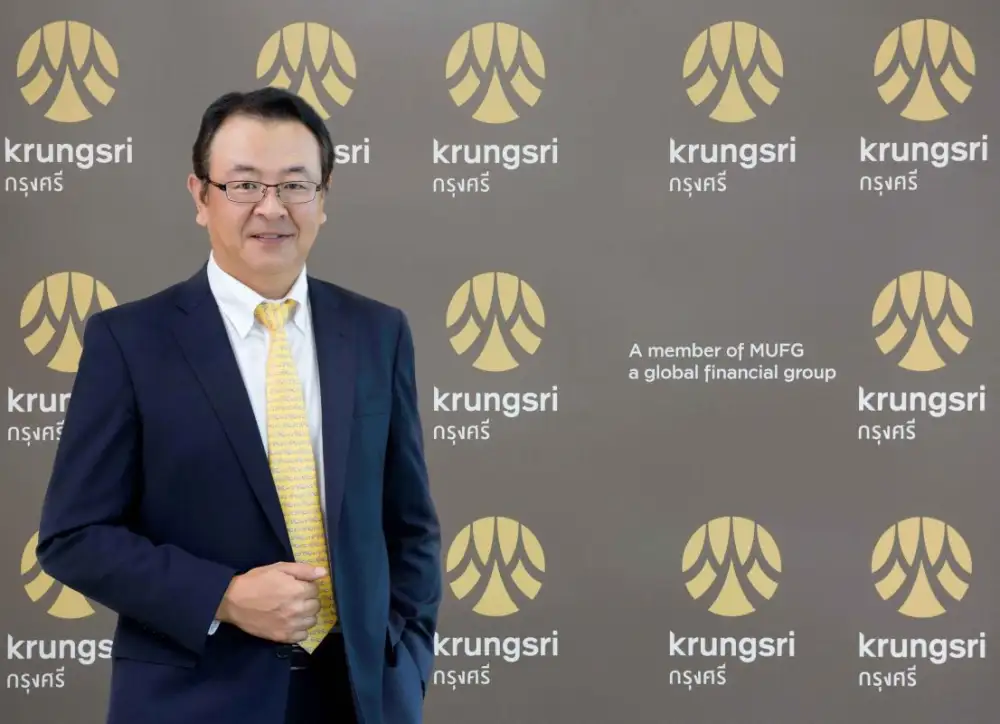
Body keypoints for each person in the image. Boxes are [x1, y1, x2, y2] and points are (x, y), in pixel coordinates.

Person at [35, 87, 442, 724]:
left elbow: (409, 524)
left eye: (295, 185)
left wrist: (406, 664)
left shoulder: (377, 332)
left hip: (359, 698)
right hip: (196, 700)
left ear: (323, 197)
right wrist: (222, 596)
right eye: (245, 185)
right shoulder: (130, 341)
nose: (271, 208)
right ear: (201, 196)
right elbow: (73, 537)